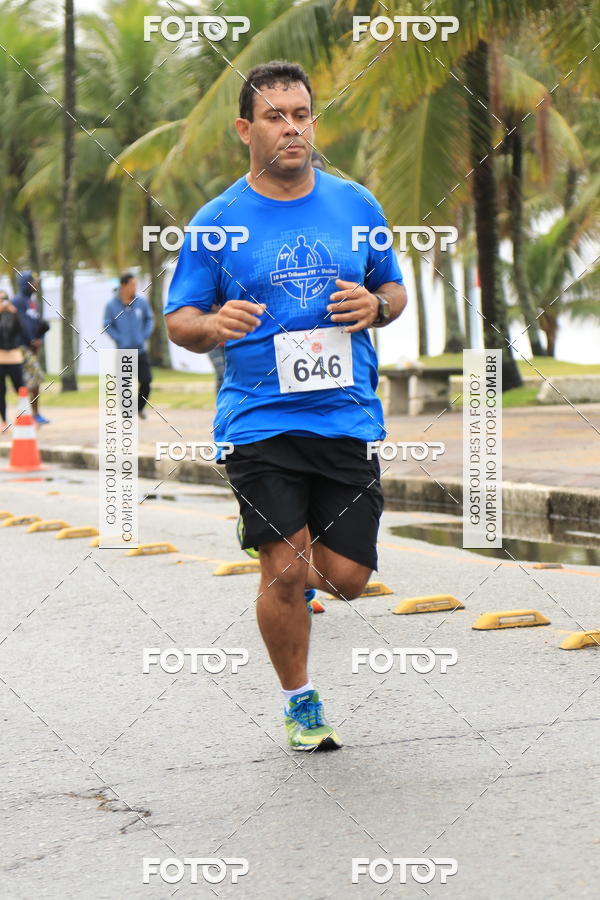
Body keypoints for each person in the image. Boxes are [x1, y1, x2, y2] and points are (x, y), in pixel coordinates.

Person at [164, 61, 407, 751]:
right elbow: (180, 317)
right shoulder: (217, 222)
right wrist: (211, 326)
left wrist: (377, 306)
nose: (292, 127)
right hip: (259, 420)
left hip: (345, 414)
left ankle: (296, 587)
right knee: (287, 569)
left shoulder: (356, 204)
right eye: (276, 116)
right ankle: (301, 703)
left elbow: (393, 290)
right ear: (245, 129)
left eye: (302, 113)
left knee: (348, 579)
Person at [103, 273, 154, 417]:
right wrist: (119, 339)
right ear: (123, 286)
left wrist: (143, 335)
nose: (135, 288)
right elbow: (107, 325)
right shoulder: (111, 305)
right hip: (123, 351)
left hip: (140, 350)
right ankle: (127, 412)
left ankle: (138, 408)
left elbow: (149, 320)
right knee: (124, 385)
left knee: (146, 380)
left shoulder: (141, 302)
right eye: (132, 284)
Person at [12, 271, 49, 425]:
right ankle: (27, 414)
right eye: (33, 281)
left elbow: (39, 323)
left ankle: (33, 413)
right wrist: (31, 340)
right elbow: (19, 325)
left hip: (33, 348)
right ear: (25, 283)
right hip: (21, 346)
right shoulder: (17, 301)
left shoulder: (33, 302)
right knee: (33, 379)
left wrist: (39, 339)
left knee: (32, 381)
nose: (36, 284)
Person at [0, 291, 26, 429]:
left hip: (14, 356)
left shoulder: (13, 314)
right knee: (1, 391)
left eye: (4, 299)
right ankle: (4, 421)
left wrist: (15, 313)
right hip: (0, 358)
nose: (2, 302)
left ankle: (25, 417)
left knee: (20, 388)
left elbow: (22, 331)